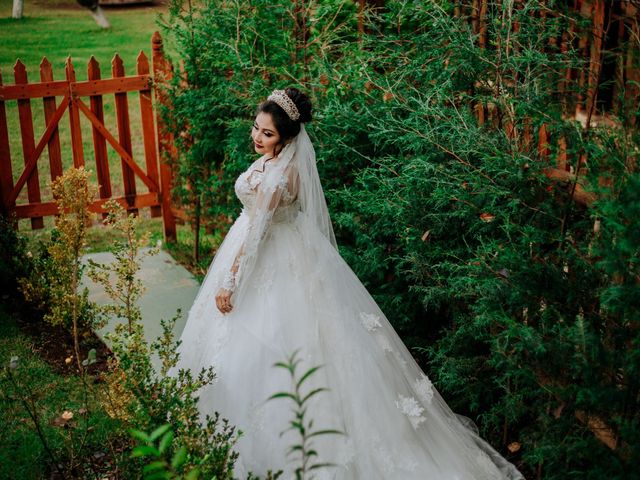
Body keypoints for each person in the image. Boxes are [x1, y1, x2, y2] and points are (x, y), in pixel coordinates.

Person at [175, 88, 524, 479]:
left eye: (267, 134)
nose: (257, 137)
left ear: (287, 137)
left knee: (285, 343)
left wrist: (230, 282)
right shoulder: (273, 162)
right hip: (280, 247)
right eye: (256, 128)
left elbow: (258, 233)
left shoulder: (280, 178)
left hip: (270, 256)